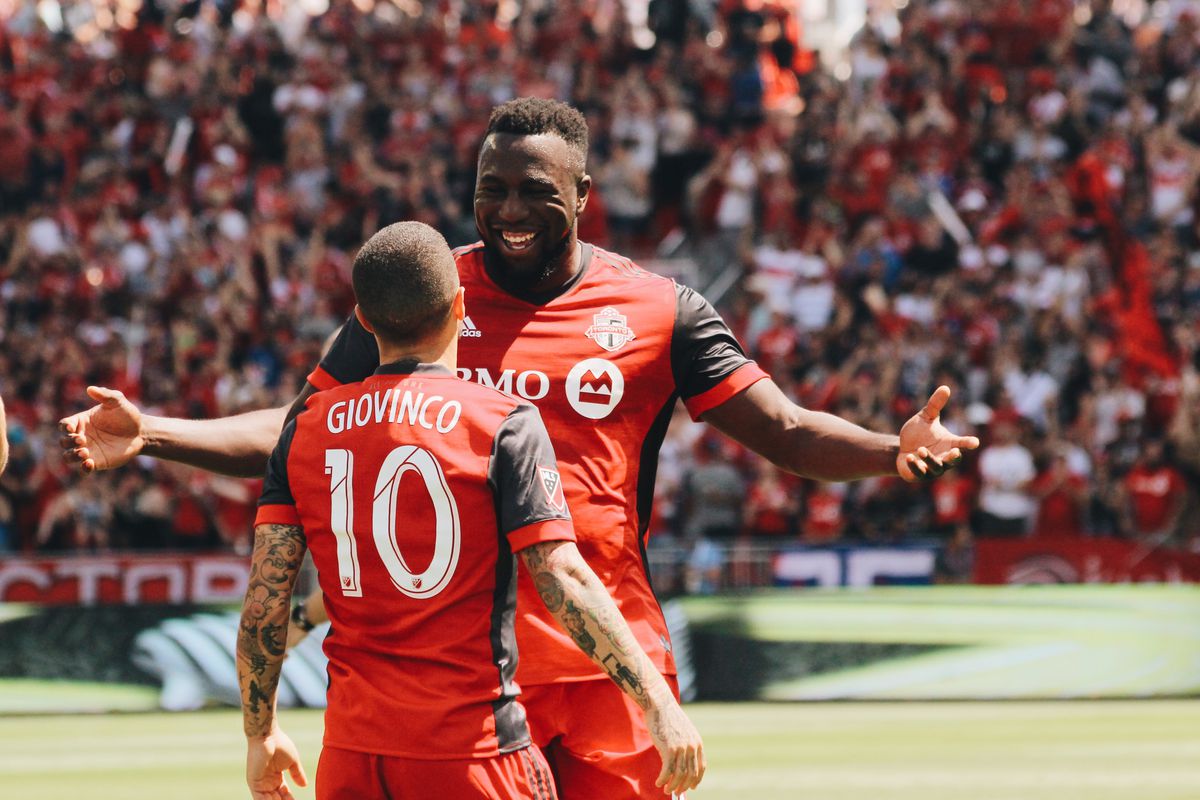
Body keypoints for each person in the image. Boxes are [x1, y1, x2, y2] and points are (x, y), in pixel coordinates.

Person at [63, 98, 977, 798]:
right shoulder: (427, 294)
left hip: (606, 662)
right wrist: (154, 433)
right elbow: (304, 432)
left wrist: (884, 450)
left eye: (535, 193)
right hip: (470, 683)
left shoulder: (658, 310)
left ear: (583, 196)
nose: (508, 211)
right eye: (490, 190)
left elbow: (782, 429)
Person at [237, 221, 703, 800]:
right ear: (460, 305)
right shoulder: (500, 421)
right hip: (475, 753)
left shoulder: (305, 430)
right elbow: (561, 573)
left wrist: (261, 733)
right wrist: (657, 703)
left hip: (353, 755)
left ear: (362, 319)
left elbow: (264, 600)